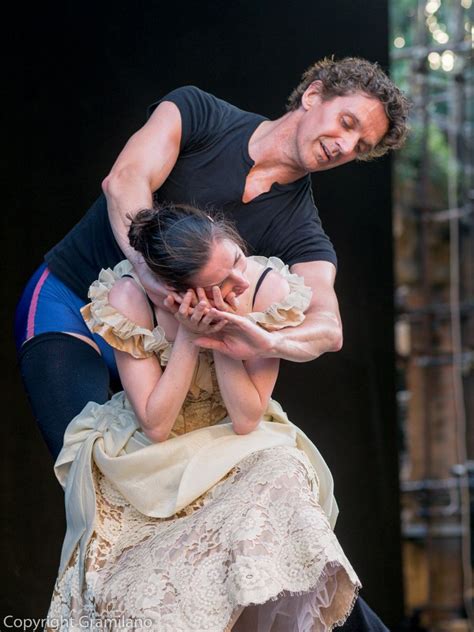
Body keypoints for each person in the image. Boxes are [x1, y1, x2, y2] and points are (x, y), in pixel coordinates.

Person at [15, 57, 409, 631]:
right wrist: (152, 282)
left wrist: (253, 335)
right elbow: (123, 181)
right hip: (74, 305)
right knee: (104, 489)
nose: (346, 146)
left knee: (232, 505)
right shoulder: (200, 113)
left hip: (174, 350)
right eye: (347, 122)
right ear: (314, 95)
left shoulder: (301, 230)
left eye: (362, 144)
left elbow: (329, 327)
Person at [46, 203, 361, 631]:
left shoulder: (265, 288)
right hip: (153, 454)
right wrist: (190, 337)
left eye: (234, 259)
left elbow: (248, 418)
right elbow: (155, 424)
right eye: (218, 283)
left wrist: (223, 335)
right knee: (146, 597)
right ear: (176, 290)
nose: (239, 278)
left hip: (234, 437)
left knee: (284, 467)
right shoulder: (129, 297)